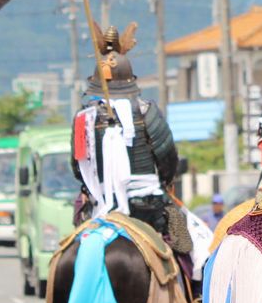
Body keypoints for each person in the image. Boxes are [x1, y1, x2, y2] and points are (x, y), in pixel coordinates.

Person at [71, 22, 191, 258]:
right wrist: (165, 181)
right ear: (130, 80)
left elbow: (77, 168)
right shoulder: (148, 113)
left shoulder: (83, 119)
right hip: (148, 207)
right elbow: (168, 161)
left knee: (74, 245)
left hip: (100, 206)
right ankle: (195, 293)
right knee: (189, 248)